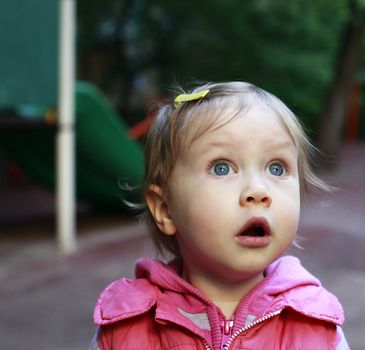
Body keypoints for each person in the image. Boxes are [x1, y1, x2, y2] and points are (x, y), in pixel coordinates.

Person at [91, 81, 350, 349]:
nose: (258, 191)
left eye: (276, 168)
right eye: (222, 168)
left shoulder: (317, 327)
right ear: (165, 209)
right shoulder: (125, 328)